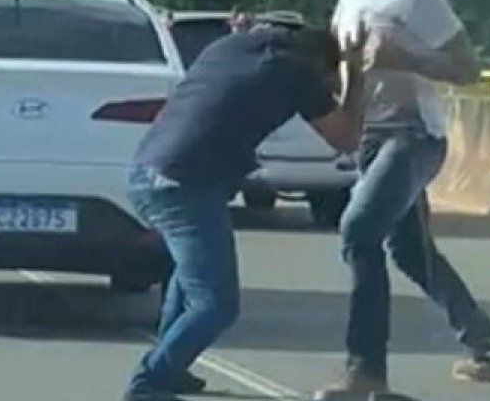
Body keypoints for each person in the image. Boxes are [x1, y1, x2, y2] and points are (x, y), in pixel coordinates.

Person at [314, 0, 490, 399]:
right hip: (370, 134)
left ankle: (366, 372)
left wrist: (410, 60)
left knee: (358, 229)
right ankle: (488, 346)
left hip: (413, 136)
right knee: (410, 251)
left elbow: (467, 69)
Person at [123, 22, 369, 401]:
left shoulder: (230, 46)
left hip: (145, 173)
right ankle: (149, 382)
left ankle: (173, 367)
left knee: (189, 280)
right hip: (184, 185)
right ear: (321, 63)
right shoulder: (296, 71)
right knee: (216, 303)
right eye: (328, 80)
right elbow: (346, 139)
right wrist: (356, 76)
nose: (328, 90)